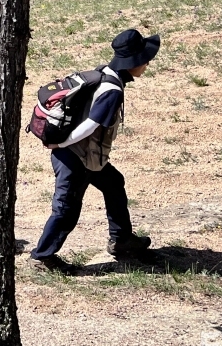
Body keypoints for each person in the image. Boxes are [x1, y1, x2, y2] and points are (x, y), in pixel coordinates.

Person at [29, 29, 161, 272]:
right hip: (76, 156)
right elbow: (91, 126)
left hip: (87, 156)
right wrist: (61, 144)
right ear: (132, 62)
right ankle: (42, 257)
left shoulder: (103, 73)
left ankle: (122, 241)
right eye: (144, 59)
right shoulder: (112, 90)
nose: (147, 63)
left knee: (114, 183)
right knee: (66, 210)